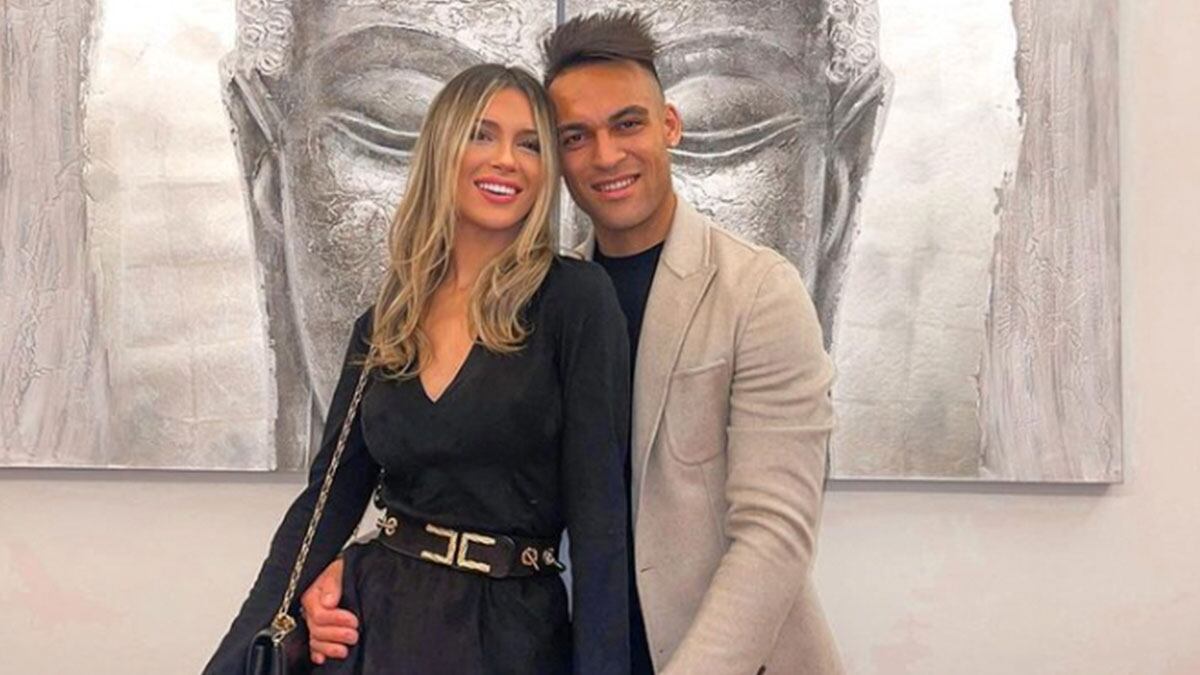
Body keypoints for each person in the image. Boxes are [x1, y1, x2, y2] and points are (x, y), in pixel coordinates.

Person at [303, 11, 843, 675]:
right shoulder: (546, 303)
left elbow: (775, 535)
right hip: (570, 648)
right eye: (575, 137)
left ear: (670, 126)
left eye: (628, 124)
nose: (606, 155)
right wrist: (364, 561)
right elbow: (481, 477)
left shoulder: (758, 291)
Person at [204, 64, 631, 674]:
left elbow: (600, 529)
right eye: (481, 134)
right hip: (370, 628)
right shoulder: (387, 323)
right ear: (442, 151)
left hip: (509, 638)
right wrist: (230, 661)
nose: (506, 160)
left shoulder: (575, 301)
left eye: (530, 144)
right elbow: (325, 505)